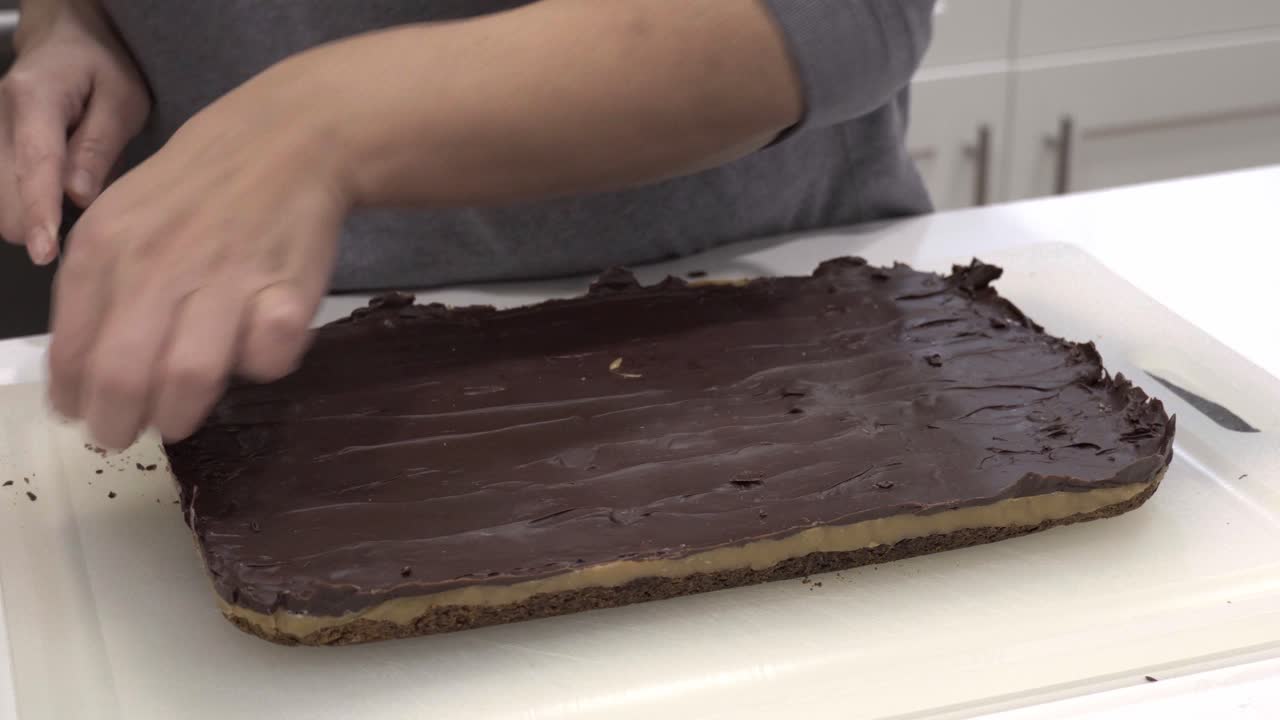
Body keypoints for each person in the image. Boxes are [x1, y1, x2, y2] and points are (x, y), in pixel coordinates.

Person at [0, 0, 934, 449]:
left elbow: (849, 15)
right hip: (206, 346)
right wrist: (70, 19)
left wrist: (318, 123)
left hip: (750, 338)